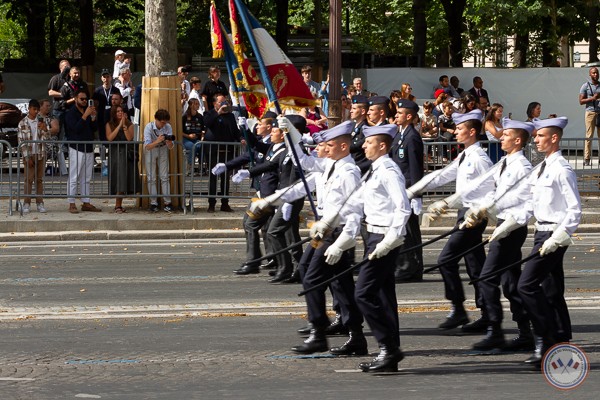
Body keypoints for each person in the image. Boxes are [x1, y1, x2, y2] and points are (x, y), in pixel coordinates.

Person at [251, 119, 366, 355]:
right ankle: (355, 334)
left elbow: (355, 211)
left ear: (343, 147)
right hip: (322, 232)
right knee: (338, 283)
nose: (322, 148)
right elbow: (297, 183)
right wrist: (269, 201)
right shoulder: (328, 167)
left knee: (312, 276)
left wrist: (345, 240)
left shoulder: (348, 172)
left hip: (335, 234)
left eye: (328, 145)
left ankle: (318, 331)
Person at [407, 109, 494, 331]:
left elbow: (490, 188)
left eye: (460, 129)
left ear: (472, 132)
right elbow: (440, 176)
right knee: (476, 266)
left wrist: (475, 212)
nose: (455, 132)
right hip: (465, 213)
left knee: (445, 260)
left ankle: (459, 309)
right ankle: (487, 313)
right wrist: (411, 191)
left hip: (474, 215)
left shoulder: (479, 158)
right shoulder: (465, 155)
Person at [460, 118, 535, 352]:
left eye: (506, 135)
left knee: (486, 278)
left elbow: (526, 201)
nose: (501, 137)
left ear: (518, 140)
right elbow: (494, 193)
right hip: (502, 223)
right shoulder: (504, 163)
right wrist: (478, 210)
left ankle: (495, 331)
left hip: (511, 228)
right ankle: (525, 332)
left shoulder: (522, 167)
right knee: (511, 282)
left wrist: (506, 223)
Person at [344, 123, 411, 372]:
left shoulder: (389, 170)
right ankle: (390, 352)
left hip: (384, 238)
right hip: (373, 234)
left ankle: (388, 348)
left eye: (368, 142)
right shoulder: (375, 169)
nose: (363, 145)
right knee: (383, 295)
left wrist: (391, 240)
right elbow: (358, 200)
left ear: (382, 146)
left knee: (363, 293)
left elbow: (402, 207)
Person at [517, 116, 581, 365]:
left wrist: (557, 238)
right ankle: (562, 341)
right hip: (541, 231)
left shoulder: (561, 169)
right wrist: (510, 222)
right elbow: (532, 204)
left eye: (540, 136)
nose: (535, 139)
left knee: (526, 285)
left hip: (553, 234)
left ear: (554, 138)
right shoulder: (543, 166)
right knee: (552, 291)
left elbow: (574, 210)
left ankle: (545, 338)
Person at [391, 100, 424, 282]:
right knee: (405, 230)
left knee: (411, 232)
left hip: (408, 191)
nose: (396, 115)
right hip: (400, 191)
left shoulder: (412, 136)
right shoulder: (400, 134)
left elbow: (415, 167)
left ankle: (412, 268)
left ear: (409, 116)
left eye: (399, 113)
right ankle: (410, 266)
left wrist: (416, 195)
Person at [203, 94, 243, 212]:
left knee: (225, 178)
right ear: (215, 103)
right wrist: (218, 113)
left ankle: (225, 203)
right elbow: (207, 123)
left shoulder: (230, 116)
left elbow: (235, 131)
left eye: (225, 102)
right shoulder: (209, 113)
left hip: (227, 151)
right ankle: (211, 203)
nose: (224, 105)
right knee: (213, 178)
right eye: (221, 102)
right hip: (213, 151)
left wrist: (241, 138)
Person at [65, 91, 101, 213]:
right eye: (82, 99)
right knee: (74, 176)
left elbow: (94, 129)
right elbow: (75, 129)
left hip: (88, 148)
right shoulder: (70, 113)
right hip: (76, 147)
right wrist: (85, 116)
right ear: (75, 99)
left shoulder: (87, 111)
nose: (85, 101)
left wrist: (93, 117)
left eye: (86, 99)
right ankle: (71, 203)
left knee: (86, 177)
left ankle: (86, 202)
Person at [17, 99, 54, 213]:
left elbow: (48, 137)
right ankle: (26, 203)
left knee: (39, 180)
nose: (36, 112)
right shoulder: (22, 123)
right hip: (29, 154)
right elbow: (21, 141)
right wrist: (27, 157)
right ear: (29, 109)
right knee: (28, 179)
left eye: (37, 109)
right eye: (34, 109)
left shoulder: (42, 121)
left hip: (40, 153)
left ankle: (40, 203)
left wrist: (45, 129)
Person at [106, 105, 141, 213]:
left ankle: (119, 205)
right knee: (118, 179)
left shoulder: (129, 124)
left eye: (121, 111)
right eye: (117, 111)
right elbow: (110, 138)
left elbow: (129, 138)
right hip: (115, 153)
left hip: (126, 153)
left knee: (124, 179)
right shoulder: (109, 124)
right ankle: (117, 205)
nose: (120, 113)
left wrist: (124, 125)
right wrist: (119, 126)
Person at [143, 109, 174, 213]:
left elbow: (171, 147)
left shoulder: (168, 127)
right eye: (162, 122)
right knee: (151, 177)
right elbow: (147, 146)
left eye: (165, 122)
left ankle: (167, 202)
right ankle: (153, 203)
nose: (164, 124)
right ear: (156, 119)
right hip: (152, 150)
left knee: (164, 177)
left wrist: (169, 142)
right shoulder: (149, 127)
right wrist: (158, 140)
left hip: (163, 149)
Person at [578, 66, 600, 166]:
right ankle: (587, 158)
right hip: (590, 112)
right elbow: (581, 101)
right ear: (590, 74)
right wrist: (593, 98)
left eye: (597, 73)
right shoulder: (585, 86)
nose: (596, 74)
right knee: (589, 136)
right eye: (594, 73)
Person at [182, 98, 205, 175]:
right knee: (192, 146)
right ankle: (190, 167)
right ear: (191, 105)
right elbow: (180, 131)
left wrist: (202, 138)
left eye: (198, 104)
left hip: (197, 138)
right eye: (195, 104)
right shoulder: (185, 116)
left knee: (201, 146)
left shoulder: (200, 117)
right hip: (186, 138)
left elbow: (203, 130)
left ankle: (201, 167)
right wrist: (188, 136)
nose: (198, 105)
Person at [525, 101, 545, 166]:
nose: (540, 111)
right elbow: (535, 133)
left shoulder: (538, 122)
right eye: (538, 109)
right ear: (532, 110)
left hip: (539, 151)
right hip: (532, 152)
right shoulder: (528, 123)